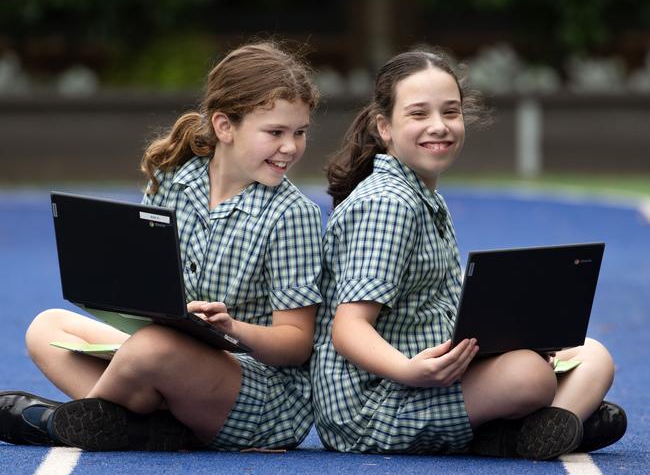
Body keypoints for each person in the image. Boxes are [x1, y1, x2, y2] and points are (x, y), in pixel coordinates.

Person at [0, 41, 324, 452]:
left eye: (300, 133)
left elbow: (296, 344)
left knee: (153, 348)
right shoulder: (174, 179)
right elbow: (149, 291)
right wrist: (116, 293)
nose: (291, 147)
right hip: (166, 355)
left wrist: (230, 328)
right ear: (225, 126)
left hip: (262, 397)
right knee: (45, 327)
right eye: (275, 132)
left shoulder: (293, 214)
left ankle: (57, 423)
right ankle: (145, 428)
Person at [310, 47, 626, 460]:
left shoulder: (423, 196)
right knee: (530, 376)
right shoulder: (388, 203)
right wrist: (411, 371)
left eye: (451, 112)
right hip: (376, 403)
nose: (439, 126)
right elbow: (348, 328)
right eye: (419, 114)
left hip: (440, 368)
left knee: (594, 356)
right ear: (384, 127)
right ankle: (515, 431)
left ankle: (533, 430)